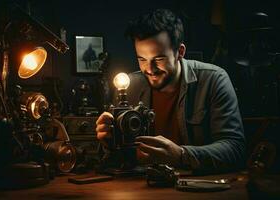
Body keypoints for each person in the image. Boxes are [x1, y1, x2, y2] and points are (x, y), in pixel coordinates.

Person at [96, 9, 246, 173]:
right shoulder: (130, 86)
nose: (150, 69)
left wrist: (181, 155)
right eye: (142, 59)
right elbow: (117, 159)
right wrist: (109, 143)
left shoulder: (214, 80)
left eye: (159, 59)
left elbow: (235, 149)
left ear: (180, 52)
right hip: (142, 187)